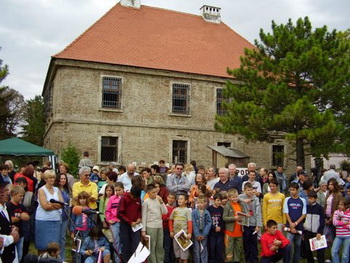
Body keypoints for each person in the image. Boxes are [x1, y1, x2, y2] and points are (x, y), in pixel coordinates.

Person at [35, 170, 63, 255]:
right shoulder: (41, 190)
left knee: (54, 246)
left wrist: (50, 203)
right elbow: (45, 207)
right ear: (46, 179)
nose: (52, 179)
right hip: (43, 221)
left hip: (55, 220)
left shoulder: (57, 189)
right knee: (43, 245)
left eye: (53, 177)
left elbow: (61, 204)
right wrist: (55, 204)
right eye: (50, 177)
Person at [141, 184, 168, 263]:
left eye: (156, 192)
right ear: (148, 193)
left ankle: (160, 261)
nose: (155, 194)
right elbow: (144, 216)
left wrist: (162, 202)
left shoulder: (158, 200)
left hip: (159, 225)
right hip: (150, 226)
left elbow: (165, 212)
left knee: (160, 246)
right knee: (151, 246)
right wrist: (143, 230)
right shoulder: (146, 202)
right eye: (153, 192)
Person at [283, 182, 307, 263]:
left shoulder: (302, 200)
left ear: (297, 190)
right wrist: (291, 224)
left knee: (298, 246)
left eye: (293, 190)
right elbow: (286, 212)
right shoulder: (287, 200)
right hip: (289, 227)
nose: (291, 192)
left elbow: (304, 214)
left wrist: (296, 223)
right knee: (289, 246)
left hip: (299, 227)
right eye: (290, 190)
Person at [239, 182, 262, 263]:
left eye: (251, 190)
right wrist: (244, 200)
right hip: (245, 224)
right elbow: (233, 198)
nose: (250, 192)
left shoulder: (255, 199)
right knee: (246, 243)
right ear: (244, 190)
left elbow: (258, 212)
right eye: (248, 190)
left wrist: (258, 225)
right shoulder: (241, 197)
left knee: (254, 243)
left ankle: (254, 259)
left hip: (253, 224)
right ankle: (247, 259)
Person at [117, 185, 142, 262]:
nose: (135, 199)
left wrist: (139, 217)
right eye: (134, 197)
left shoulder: (138, 199)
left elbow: (139, 210)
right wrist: (129, 222)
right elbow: (119, 214)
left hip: (136, 226)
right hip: (125, 226)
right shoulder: (124, 198)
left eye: (136, 198)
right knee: (126, 246)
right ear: (131, 193)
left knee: (136, 246)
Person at [6, 185, 29, 262]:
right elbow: (11, 219)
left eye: (23, 196)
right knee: (11, 254)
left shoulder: (21, 206)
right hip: (11, 233)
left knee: (19, 254)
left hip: (21, 233)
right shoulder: (8, 206)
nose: (22, 198)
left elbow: (27, 217)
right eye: (20, 196)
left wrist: (17, 216)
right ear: (13, 195)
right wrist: (20, 215)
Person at [303, 190, 325, 263]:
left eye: (311, 198)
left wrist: (319, 232)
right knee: (308, 250)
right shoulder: (306, 207)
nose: (309, 200)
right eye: (309, 198)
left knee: (320, 252)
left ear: (315, 199)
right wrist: (303, 231)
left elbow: (322, 221)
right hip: (307, 232)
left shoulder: (320, 208)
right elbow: (304, 219)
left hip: (316, 232)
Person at [169, 194, 192, 263]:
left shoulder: (187, 210)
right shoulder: (175, 210)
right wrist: (171, 231)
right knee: (178, 254)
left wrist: (189, 233)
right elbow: (170, 220)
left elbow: (189, 222)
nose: (179, 200)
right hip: (176, 235)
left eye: (181, 199)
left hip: (183, 235)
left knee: (184, 254)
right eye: (179, 199)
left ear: (186, 201)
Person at [223, 188, 244, 263]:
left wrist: (243, 218)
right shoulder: (227, 206)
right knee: (229, 251)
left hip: (239, 232)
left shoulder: (240, 205)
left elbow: (243, 216)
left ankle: (237, 260)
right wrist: (234, 218)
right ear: (229, 198)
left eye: (236, 196)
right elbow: (224, 218)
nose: (235, 198)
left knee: (238, 249)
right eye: (233, 197)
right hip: (230, 232)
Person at [105, 182, 124, 262]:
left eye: (119, 190)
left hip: (124, 222)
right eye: (116, 190)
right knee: (116, 241)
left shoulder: (125, 197)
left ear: (123, 189)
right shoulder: (112, 198)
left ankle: (124, 258)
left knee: (124, 240)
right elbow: (107, 211)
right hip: (114, 222)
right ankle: (117, 259)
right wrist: (109, 220)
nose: (118, 192)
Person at [54, 173, 70, 261]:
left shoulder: (67, 190)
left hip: (65, 216)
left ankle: (62, 258)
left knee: (62, 238)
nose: (63, 180)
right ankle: (55, 257)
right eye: (61, 178)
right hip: (57, 216)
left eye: (64, 179)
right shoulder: (55, 190)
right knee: (56, 237)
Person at [192, 195, 212, 263]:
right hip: (196, 234)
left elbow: (209, 223)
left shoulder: (207, 213)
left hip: (204, 233)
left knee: (203, 248)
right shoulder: (194, 212)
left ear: (205, 203)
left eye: (201, 203)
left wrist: (204, 234)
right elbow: (193, 223)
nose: (199, 204)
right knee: (196, 249)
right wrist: (197, 234)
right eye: (198, 203)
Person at [331, 198, 350, 263]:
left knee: (345, 254)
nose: (339, 206)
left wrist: (340, 223)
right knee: (333, 252)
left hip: (347, 236)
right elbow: (334, 223)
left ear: (346, 205)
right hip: (338, 236)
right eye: (339, 204)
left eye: (341, 205)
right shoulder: (336, 212)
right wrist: (345, 223)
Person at [324, 178, 343, 244]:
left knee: (333, 236)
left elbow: (339, 208)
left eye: (331, 184)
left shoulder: (339, 194)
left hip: (334, 218)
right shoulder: (328, 193)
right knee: (327, 235)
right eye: (329, 184)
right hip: (327, 216)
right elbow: (325, 205)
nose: (330, 186)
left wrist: (331, 219)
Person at [207, 193, 224, 263]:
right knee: (212, 248)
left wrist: (220, 227)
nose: (219, 202)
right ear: (213, 200)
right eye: (217, 200)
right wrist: (214, 227)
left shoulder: (222, 209)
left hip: (219, 233)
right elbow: (208, 220)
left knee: (219, 249)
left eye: (220, 201)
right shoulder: (209, 209)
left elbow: (223, 220)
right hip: (212, 233)